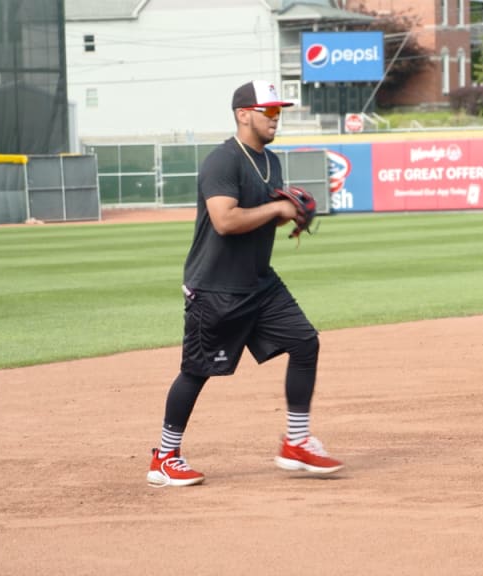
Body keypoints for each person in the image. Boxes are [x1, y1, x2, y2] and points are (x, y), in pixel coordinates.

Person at [146, 80, 343, 487]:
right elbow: (226, 220)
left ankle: (296, 441)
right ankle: (165, 457)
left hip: (259, 284)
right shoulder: (223, 161)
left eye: (278, 111)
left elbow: (268, 212)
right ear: (243, 114)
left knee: (305, 342)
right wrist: (276, 208)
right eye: (268, 111)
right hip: (216, 287)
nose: (276, 117)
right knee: (197, 371)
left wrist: (290, 215)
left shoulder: (271, 161)